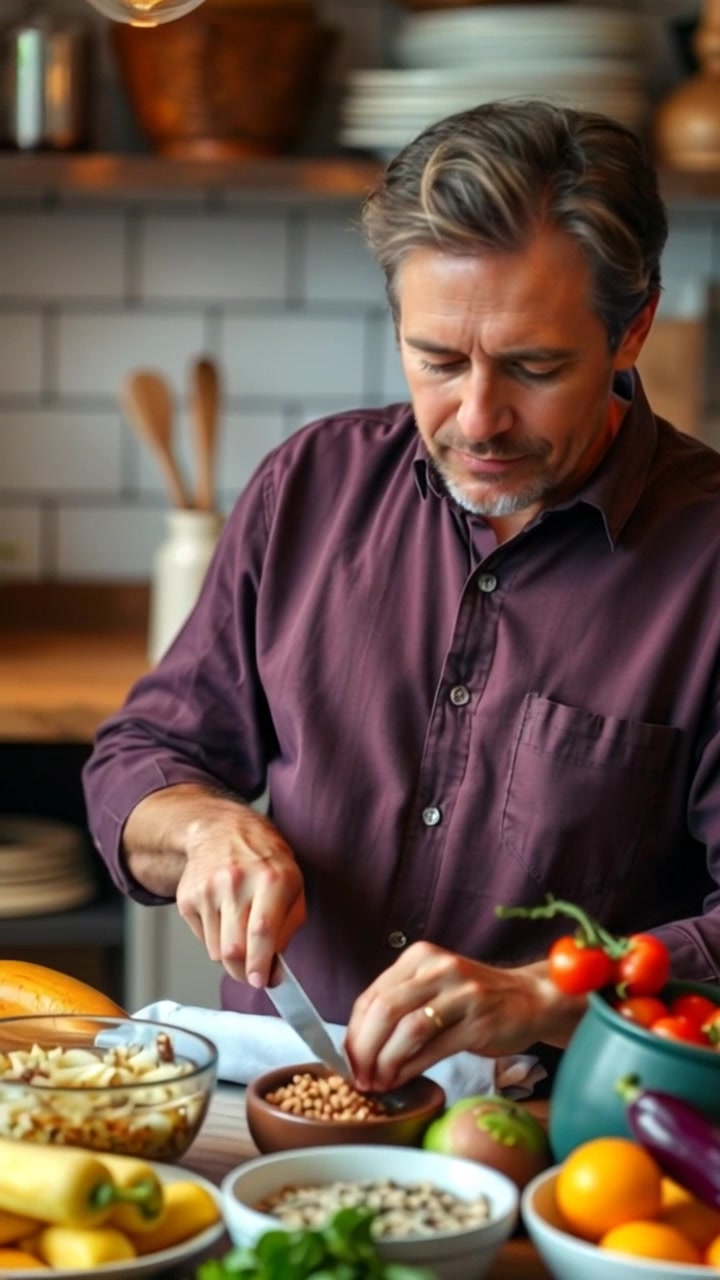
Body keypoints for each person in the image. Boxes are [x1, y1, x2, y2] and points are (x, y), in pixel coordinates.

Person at [83, 99, 720, 1099]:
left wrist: (544, 995)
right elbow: (142, 755)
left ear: (631, 329)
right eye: (438, 360)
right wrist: (202, 829)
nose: (478, 417)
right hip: (276, 1113)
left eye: (534, 366)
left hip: (566, 1140)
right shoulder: (311, 487)